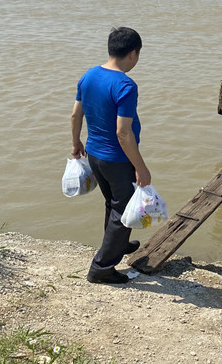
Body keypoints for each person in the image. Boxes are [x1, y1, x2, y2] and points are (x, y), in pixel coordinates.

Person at [71, 27, 151, 284]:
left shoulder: (89, 75)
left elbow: (75, 114)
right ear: (133, 54)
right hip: (117, 159)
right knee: (122, 208)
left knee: (114, 204)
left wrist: (76, 143)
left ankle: (119, 244)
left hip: (94, 154)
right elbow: (123, 133)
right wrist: (141, 167)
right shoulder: (125, 85)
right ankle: (102, 268)